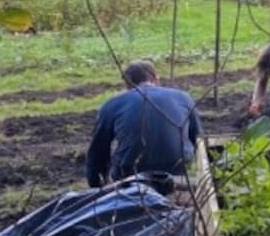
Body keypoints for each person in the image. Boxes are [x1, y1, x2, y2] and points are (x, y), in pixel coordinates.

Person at [86, 60, 201, 188]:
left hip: (131, 173)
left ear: (127, 84)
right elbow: (197, 137)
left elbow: (98, 151)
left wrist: (96, 186)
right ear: (155, 79)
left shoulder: (112, 104)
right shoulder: (183, 97)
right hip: (178, 168)